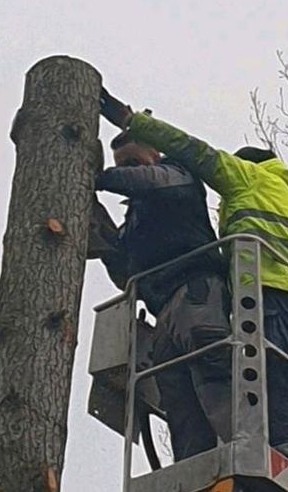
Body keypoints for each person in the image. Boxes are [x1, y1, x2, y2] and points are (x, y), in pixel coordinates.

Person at [99, 89, 288, 492]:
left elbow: (187, 153)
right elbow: (122, 264)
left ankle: (284, 458)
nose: (128, 172)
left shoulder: (229, 177)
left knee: (272, 376)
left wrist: (121, 138)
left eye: (132, 162)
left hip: (247, 292)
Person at [92, 130, 232, 462]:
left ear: (154, 155)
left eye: (133, 162)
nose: (127, 169)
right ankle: (194, 466)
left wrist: (100, 178)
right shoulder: (136, 220)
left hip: (196, 291)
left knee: (213, 369)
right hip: (163, 309)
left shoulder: (177, 176)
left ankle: (243, 448)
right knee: (176, 396)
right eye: (121, 165)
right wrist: (99, 227)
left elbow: (151, 180)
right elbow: (125, 274)